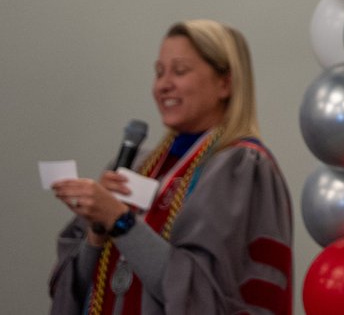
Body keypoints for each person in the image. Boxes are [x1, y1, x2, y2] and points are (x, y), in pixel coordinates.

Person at [49, 20, 293, 314]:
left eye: (180, 71)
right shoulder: (139, 166)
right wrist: (96, 231)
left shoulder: (241, 168)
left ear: (224, 83)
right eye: (159, 72)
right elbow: (69, 294)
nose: (163, 85)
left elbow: (201, 295)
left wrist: (121, 222)